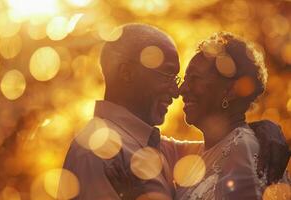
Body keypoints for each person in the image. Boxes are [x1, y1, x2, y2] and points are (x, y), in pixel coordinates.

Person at [62, 24, 289, 200]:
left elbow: (229, 146)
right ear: (127, 73)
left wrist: (262, 130)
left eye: (192, 79)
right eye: (167, 75)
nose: (178, 89)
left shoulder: (159, 147)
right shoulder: (97, 153)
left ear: (229, 91)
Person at [174, 32, 290, 199]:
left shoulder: (245, 150)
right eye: (185, 80)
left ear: (229, 91)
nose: (182, 90)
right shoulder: (198, 151)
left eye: (195, 79)